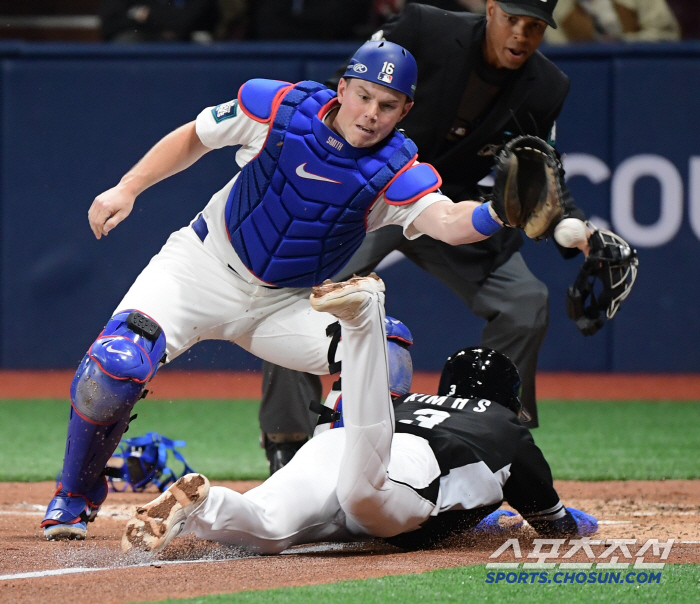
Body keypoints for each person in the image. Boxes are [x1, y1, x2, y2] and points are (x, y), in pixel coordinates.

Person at [41, 40, 533, 541]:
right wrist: (128, 187)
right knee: (115, 365)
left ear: (405, 110)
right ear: (343, 88)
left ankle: (335, 485)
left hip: (285, 303)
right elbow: (195, 136)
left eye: (387, 105)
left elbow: (448, 222)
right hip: (201, 267)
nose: (371, 114)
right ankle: (76, 496)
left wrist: (498, 212)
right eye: (364, 96)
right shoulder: (278, 108)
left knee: (384, 350)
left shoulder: (396, 170)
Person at [259, 0, 596, 470]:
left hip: (445, 210)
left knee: (523, 303)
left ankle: (487, 443)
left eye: (535, 26)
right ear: (491, 10)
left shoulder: (547, 85)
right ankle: (288, 444)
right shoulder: (425, 28)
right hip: (371, 189)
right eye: (513, 20)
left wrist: (575, 228)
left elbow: (542, 169)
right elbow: (344, 92)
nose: (521, 34)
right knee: (301, 289)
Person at [122, 274, 597, 555]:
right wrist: (578, 523)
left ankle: (205, 502)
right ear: (509, 401)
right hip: (392, 477)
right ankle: (363, 322)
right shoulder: (506, 429)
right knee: (361, 487)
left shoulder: (418, 401)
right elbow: (555, 528)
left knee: (268, 527)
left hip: (334, 445)